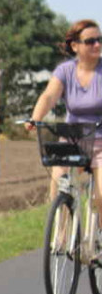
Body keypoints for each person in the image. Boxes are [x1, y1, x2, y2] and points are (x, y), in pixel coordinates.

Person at [28, 19, 102, 212]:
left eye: (99, 40)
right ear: (75, 46)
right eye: (90, 41)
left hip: (101, 140)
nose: (97, 45)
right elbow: (49, 96)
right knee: (59, 179)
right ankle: (60, 238)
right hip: (73, 137)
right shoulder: (65, 70)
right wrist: (36, 118)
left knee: (100, 196)